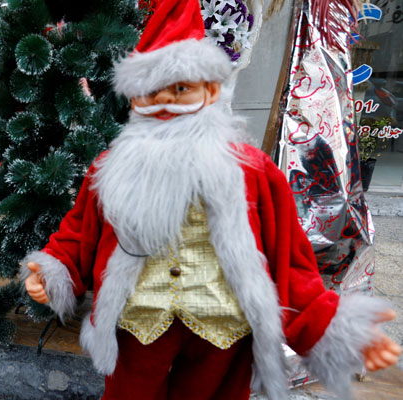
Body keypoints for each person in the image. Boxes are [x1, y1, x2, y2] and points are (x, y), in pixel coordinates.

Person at [22, 1, 401, 399]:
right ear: (135, 100)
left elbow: (291, 262)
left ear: (210, 91)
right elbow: (80, 232)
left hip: (223, 326)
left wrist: (333, 331)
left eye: (181, 89)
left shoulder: (252, 172)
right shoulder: (112, 167)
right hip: (138, 322)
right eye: (151, 92)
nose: (165, 103)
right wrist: (54, 271)